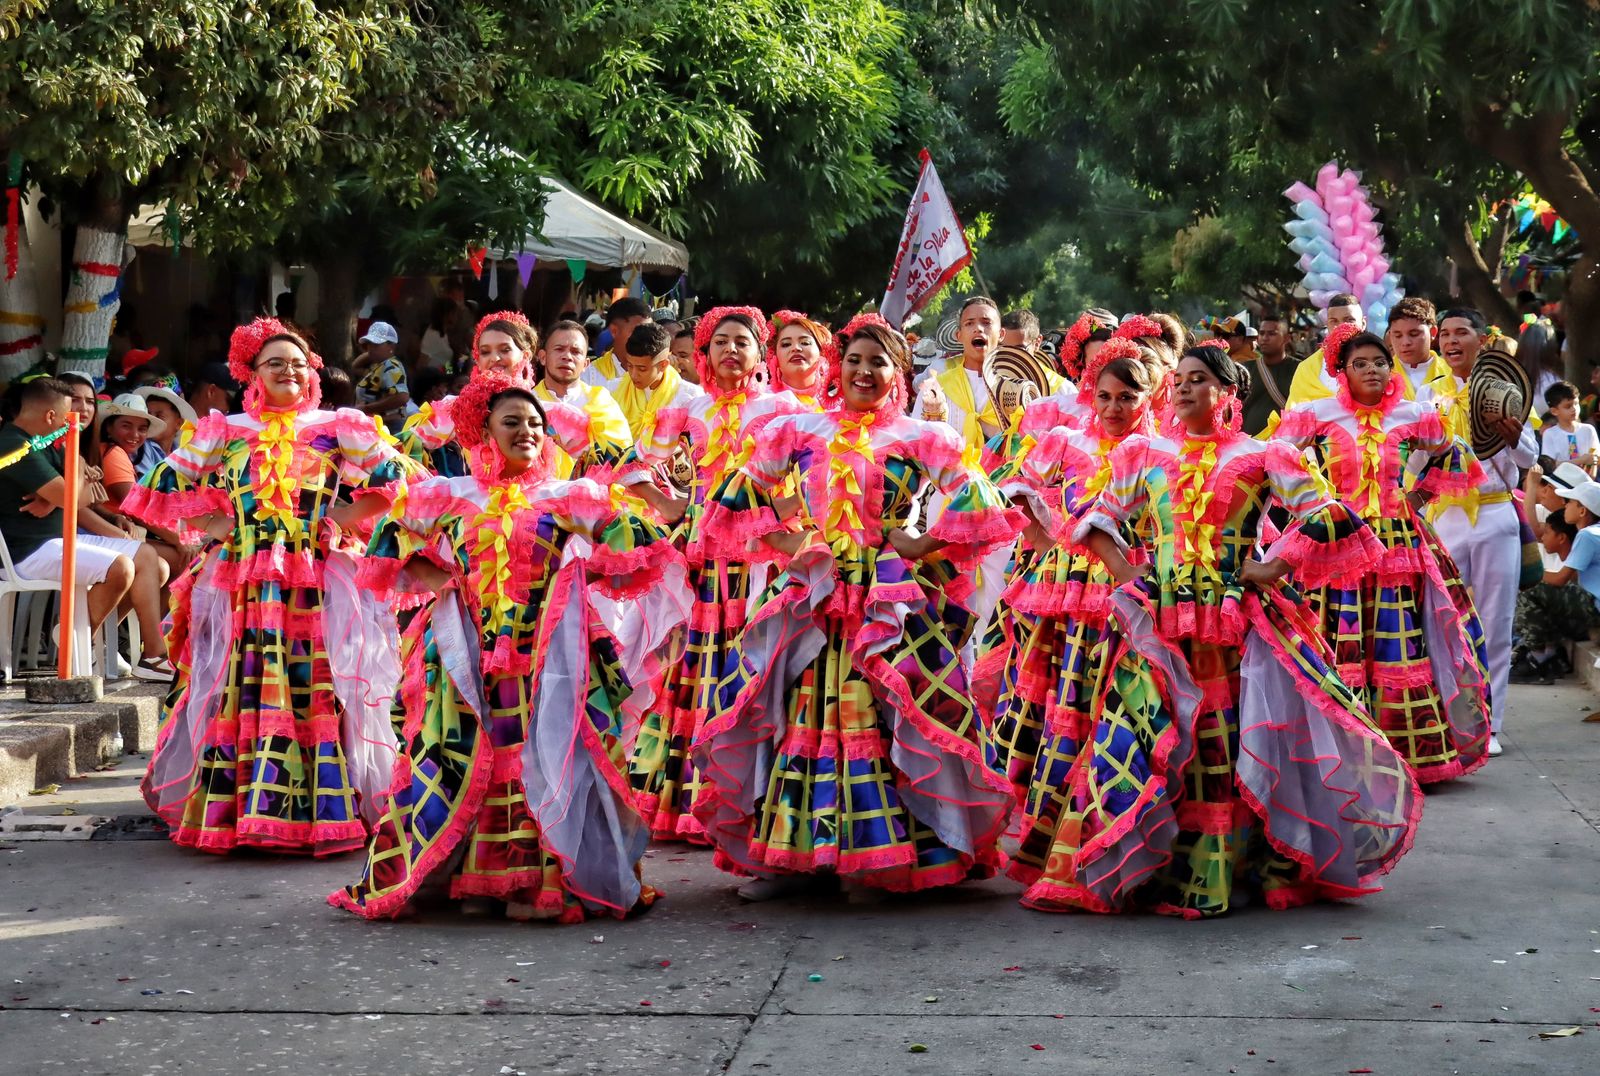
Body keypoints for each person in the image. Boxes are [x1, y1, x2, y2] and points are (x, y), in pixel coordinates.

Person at [1058, 342, 1421, 916]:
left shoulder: (1260, 456)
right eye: (1178, 378)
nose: (1182, 387)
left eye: (1198, 379)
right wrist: (1130, 573)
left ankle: (1228, 867)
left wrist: (1272, 566)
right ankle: (1153, 865)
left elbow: (1328, 513)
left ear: (1227, 392)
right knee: (1157, 736)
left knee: (1223, 742)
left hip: (1233, 624)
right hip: (1162, 623)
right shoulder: (1145, 452)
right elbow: (1097, 519)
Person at [330, 376, 690, 922]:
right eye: (512, 422)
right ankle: (474, 878)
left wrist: (576, 579)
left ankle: (538, 883)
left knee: (541, 758)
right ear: (484, 432)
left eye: (536, 424)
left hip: (548, 655)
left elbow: (640, 546)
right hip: (468, 652)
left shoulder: (568, 495)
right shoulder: (450, 494)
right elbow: (390, 544)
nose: (527, 432)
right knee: (468, 757)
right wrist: (442, 579)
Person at [691, 317, 1017, 899]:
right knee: (797, 715)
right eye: (855, 361)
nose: (864, 373)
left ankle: (876, 859)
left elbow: (978, 498)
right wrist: (789, 540)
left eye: (878, 363)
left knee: (885, 715)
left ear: (899, 373)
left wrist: (919, 543)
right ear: (837, 368)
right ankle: (789, 859)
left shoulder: (921, 436)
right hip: (813, 596)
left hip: (887, 601)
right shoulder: (799, 429)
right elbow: (736, 498)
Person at [122, 318, 414, 854]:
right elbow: (162, 484)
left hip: (315, 578)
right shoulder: (226, 429)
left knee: (315, 683)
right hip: (244, 582)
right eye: (274, 363)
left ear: (313, 373)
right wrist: (218, 525)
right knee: (244, 685)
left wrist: (342, 515)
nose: (288, 371)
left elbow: (397, 480)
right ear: (251, 373)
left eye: (299, 363)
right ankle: (244, 812)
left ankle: (322, 811)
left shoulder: (338, 425)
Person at [989, 336, 1202, 902]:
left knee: (1119, 703)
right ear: (1090, 393)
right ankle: (1053, 841)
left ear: (1149, 397)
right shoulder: (1065, 439)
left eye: (1127, 397)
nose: (1113, 407)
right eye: (1104, 396)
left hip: (1129, 589)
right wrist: (1046, 540)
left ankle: (1110, 829)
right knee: (1060, 706)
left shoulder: (1160, 451)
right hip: (1065, 591)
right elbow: (1014, 489)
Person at [617, 307, 808, 840]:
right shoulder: (688, 407)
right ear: (703, 352)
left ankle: (752, 797)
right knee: (697, 667)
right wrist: (669, 503)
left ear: (760, 352)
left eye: (742, 342)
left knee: (756, 662)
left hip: (762, 558)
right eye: (720, 341)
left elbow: (820, 476)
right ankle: (692, 801)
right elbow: (631, 462)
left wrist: (779, 513)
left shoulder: (783, 409)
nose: (731, 351)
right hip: (704, 560)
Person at [1275, 325, 1491, 783]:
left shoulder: (1414, 414)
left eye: (1379, 362)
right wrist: (1312, 503)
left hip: (1397, 546)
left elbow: (1454, 454)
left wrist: (1418, 496)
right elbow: (1273, 459)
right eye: (1360, 363)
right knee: (1338, 638)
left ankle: (1404, 755)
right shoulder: (1317, 414)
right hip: (1337, 542)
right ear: (1342, 372)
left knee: (1398, 640)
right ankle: (1345, 753)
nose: (1372, 370)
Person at [0, 378, 173, 680]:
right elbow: (75, 498)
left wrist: (58, 494)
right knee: (121, 567)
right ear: (51, 416)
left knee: (153, 562)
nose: (72, 423)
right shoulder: (15, 443)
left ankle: (150, 655)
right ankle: (79, 638)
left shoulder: (41, 442)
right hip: (27, 552)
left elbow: (75, 499)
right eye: (67, 416)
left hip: (58, 541)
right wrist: (77, 465)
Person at [1421, 310, 1534, 757]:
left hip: (1494, 514)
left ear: (1481, 340)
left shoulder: (1504, 392)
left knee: (1495, 624)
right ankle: (1445, 723)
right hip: (1445, 515)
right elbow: (1416, 462)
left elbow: (1528, 458)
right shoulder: (1429, 394)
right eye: (1445, 334)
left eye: (1461, 333)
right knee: (1440, 622)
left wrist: (1513, 435)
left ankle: (1491, 725)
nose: (1451, 341)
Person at [532, 320, 632, 480]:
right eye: (559, 349)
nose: (567, 357)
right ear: (543, 357)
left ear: (586, 364)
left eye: (575, 352)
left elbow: (622, 456)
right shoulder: (529, 403)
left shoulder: (602, 402)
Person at [922, 296, 1004, 451]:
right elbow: (919, 441)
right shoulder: (936, 388)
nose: (978, 328)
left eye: (986, 323)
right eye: (969, 323)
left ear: (1001, 334)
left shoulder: (1016, 386)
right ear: (959, 336)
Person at [610, 321, 701, 440]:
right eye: (630, 366)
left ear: (663, 365)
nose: (633, 374)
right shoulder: (613, 390)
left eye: (642, 369)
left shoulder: (688, 396)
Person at [1284, 293, 1371, 407]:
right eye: (1334, 321)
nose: (1341, 326)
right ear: (1327, 325)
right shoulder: (1307, 368)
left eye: (1349, 320)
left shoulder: (1379, 362)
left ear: (1363, 323)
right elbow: (1294, 410)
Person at [1241, 312, 1297, 435]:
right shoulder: (1245, 369)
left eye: (1272, 333)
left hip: (1286, 441)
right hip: (1249, 441)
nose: (1265, 338)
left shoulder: (1300, 369)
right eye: (1261, 333)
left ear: (1286, 338)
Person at [1385, 296, 1450, 396]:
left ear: (1433, 332)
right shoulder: (1382, 375)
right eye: (1398, 336)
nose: (1405, 342)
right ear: (1390, 335)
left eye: (1414, 334)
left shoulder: (1451, 372)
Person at [352, 321, 411, 427]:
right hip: (378, 425)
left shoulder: (391, 367)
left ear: (391, 346)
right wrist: (372, 353)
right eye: (369, 344)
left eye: (376, 344)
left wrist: (367, 408)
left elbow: (402, 397)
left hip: (388, 426)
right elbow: (355, 367)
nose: (370, 348)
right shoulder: (379, 366)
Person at [766, 310, 830, 406]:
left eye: (805, 343)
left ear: (821, 351)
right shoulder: (760, 402)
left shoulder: (841, 404)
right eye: (786, 344)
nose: (795, 348)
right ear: (774, 356)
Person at [584, 297, 652, 386]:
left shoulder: (660, 373)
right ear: (614, 331)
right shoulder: (590, 377)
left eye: (650, 331)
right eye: (639, 331)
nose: (646, 337)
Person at [1540, 380, 1599, 475]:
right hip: (1560, 482)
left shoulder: (1588, 430)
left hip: (1587, 481)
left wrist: (1589, 478)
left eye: (1576, 403)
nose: (1574, 409)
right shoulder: (1550, 434)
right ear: (1554, 411)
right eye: (1568, 406)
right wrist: (1581, 460)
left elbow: (1595, 458)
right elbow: (1551, 465)